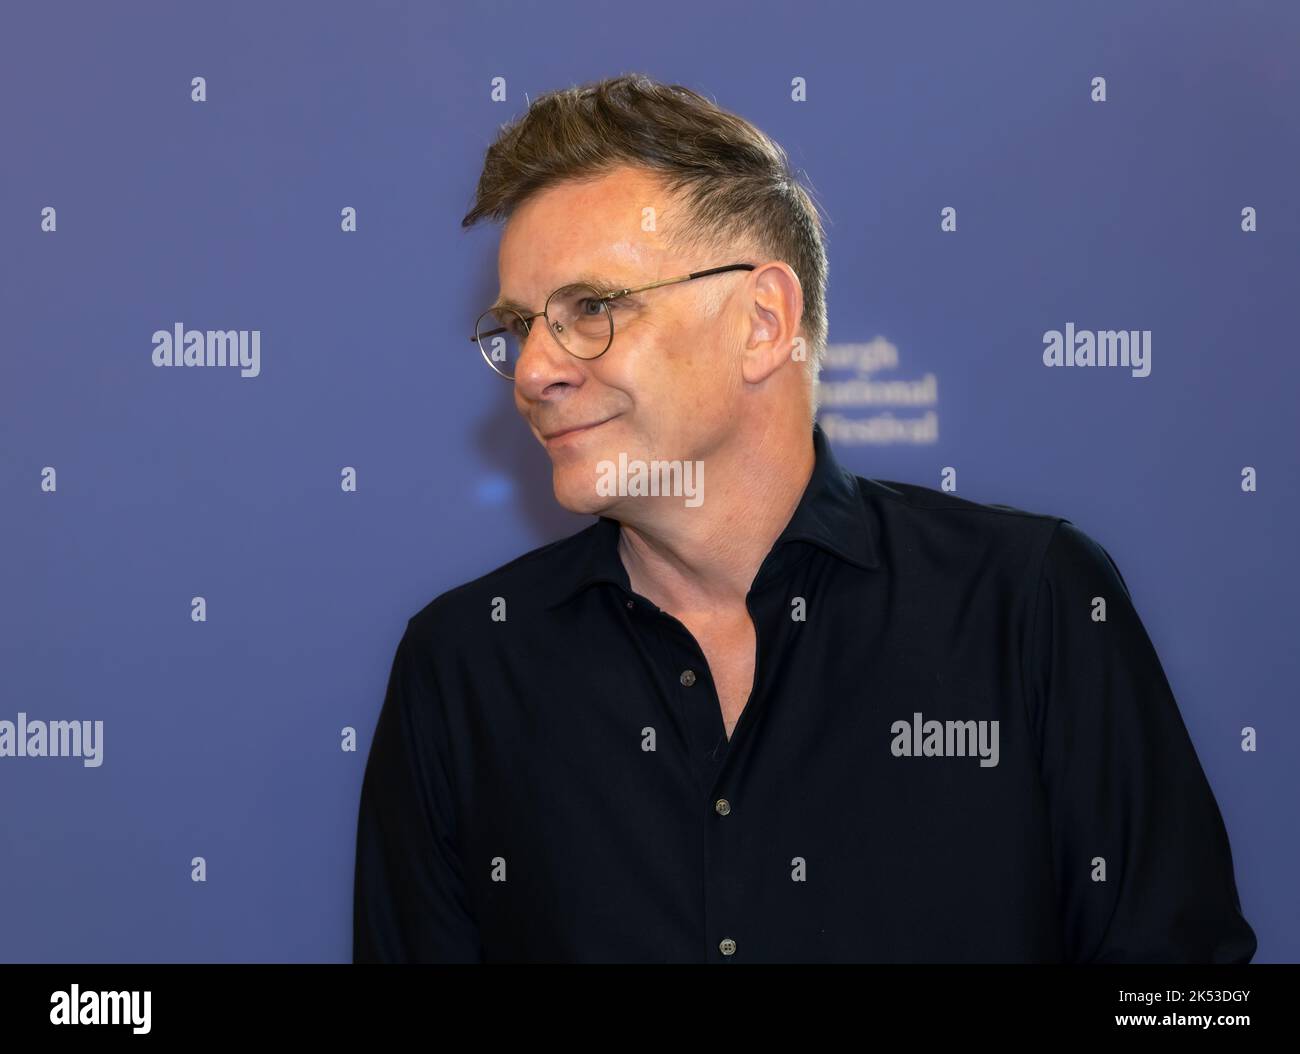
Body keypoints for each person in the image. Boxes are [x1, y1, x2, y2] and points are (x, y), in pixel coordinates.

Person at [352, 73, 1255, 963]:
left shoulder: (1032, 606)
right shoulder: (463, 669)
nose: (535, 369)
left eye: (591, 309)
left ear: (762, 320)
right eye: (519, 327)